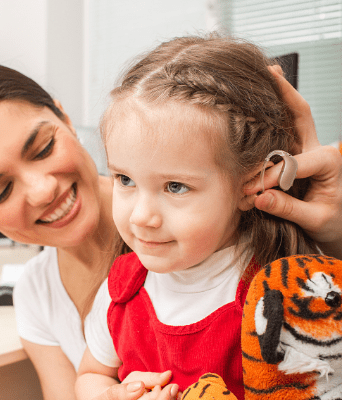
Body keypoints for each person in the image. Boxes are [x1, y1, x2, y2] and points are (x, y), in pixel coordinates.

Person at [0, 56, 340, 400]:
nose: (43, 189)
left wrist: (334, 234)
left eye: (44, 148)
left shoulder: (269, 263)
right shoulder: (49, 292)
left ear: (64, 118)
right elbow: (87, 381)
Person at [74, 34, 342, 400]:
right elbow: (91, 374)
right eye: (125, 179)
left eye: (175, 187)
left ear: (251, 184)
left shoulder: (283, 296)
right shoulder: (121, 290)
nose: (141, 216)